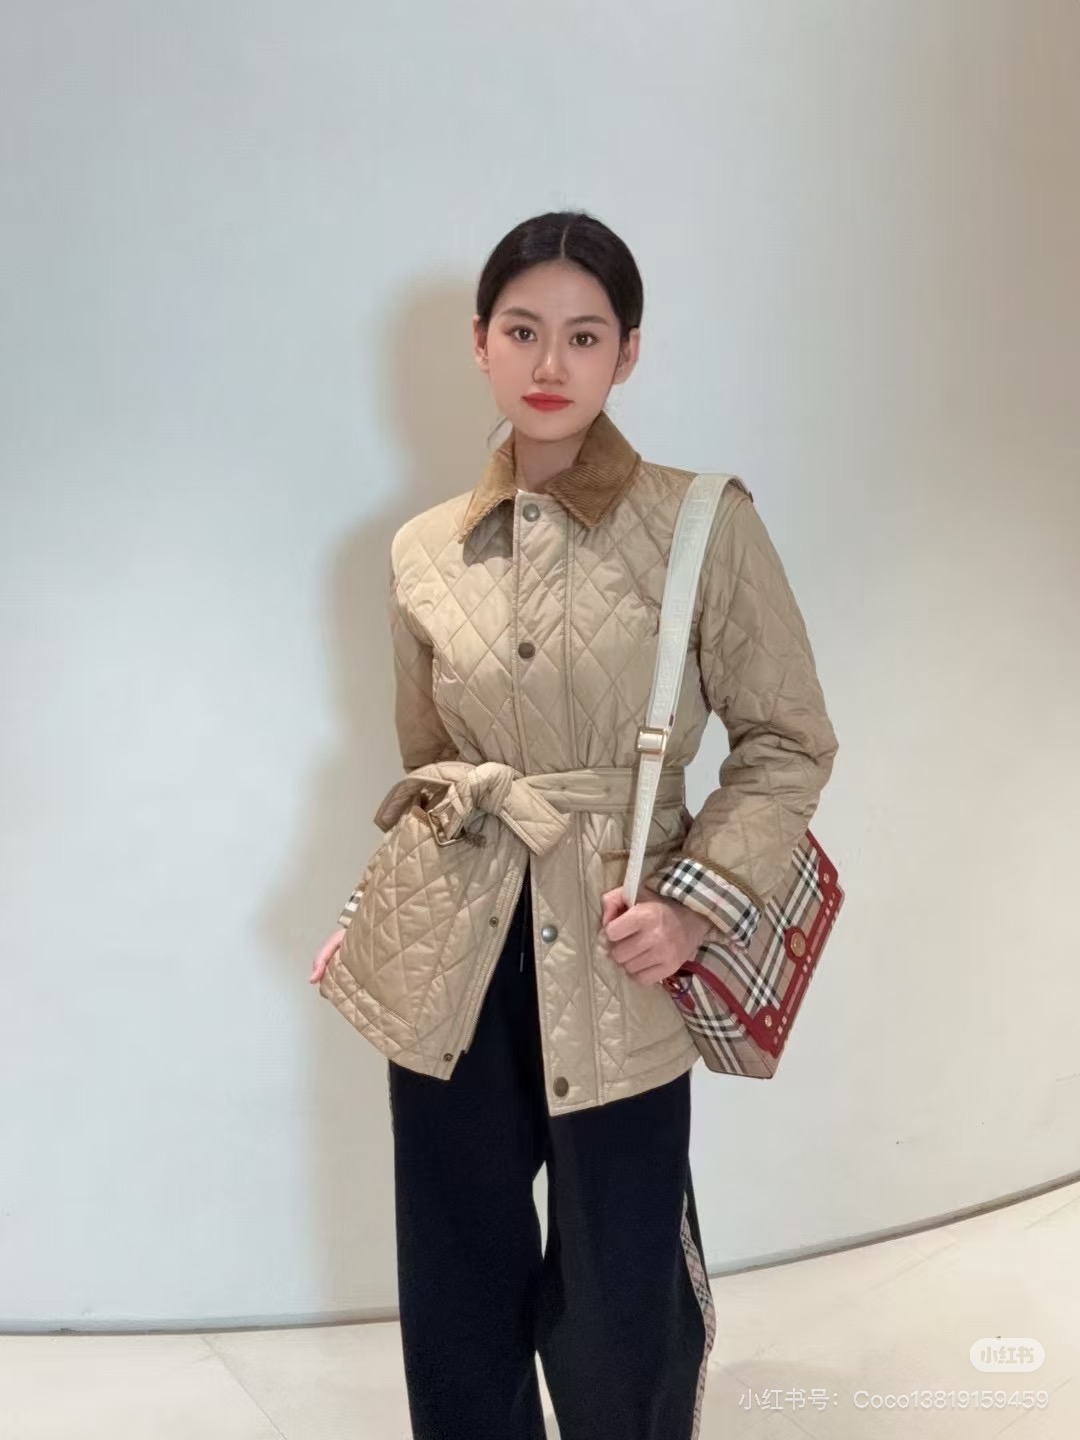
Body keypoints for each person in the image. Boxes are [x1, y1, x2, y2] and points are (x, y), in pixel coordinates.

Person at [310, 210, 838, 1440]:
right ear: (480, 344)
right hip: (450, 959)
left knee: (622, 1302)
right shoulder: (422, 552)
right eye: (523, 331)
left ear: (628, 353)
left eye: (585, 335)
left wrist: (693, 907)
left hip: (620, 949)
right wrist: (374, 921)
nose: (551, 364)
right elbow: (431, 770)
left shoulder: (703, 523)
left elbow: (789, 741)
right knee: (456, 1292)